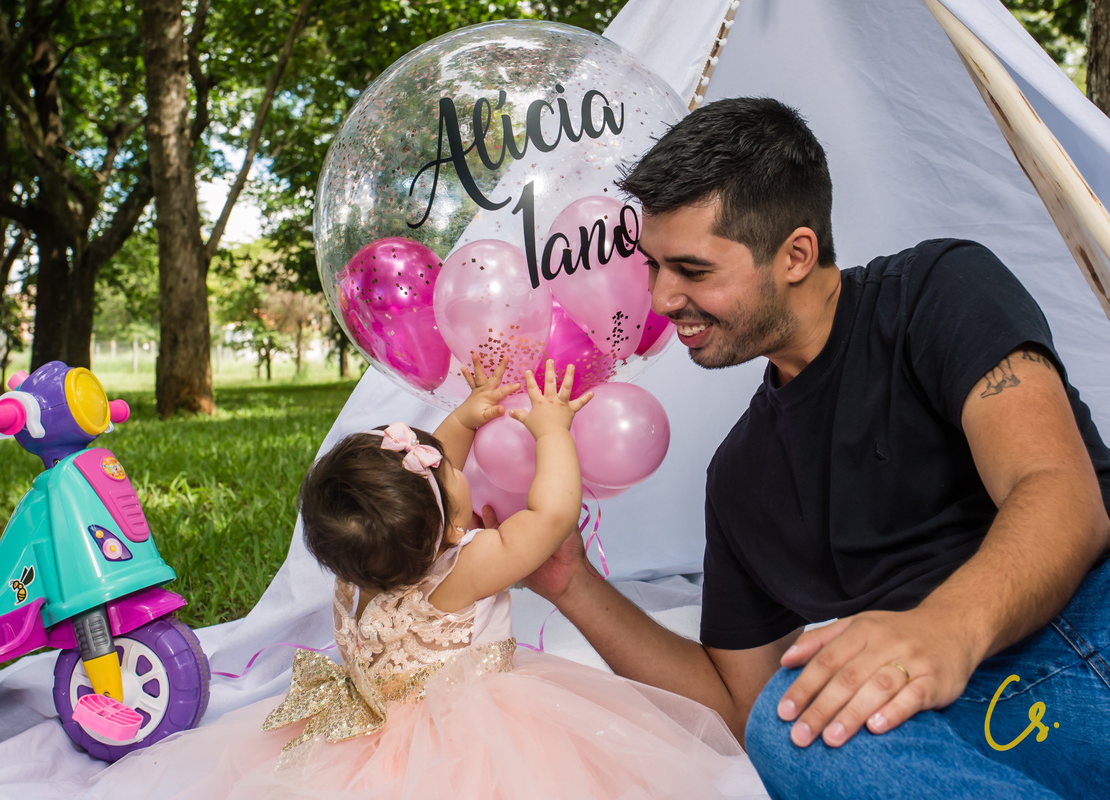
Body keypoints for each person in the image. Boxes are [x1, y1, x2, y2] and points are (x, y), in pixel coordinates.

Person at [518, 97, 1110, 799]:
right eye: (653, 267)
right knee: (784, 722)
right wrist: (569, 582)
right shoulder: (741, 477)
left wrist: (944, 629)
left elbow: (1060, 492)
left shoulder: (935, 291)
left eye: (692, 269)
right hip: (953, 725)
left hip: (1085, 625)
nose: (662, 297)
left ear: (796, 253)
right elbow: (739, 706)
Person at [89, 356, 767, 800]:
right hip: (471, 743)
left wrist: (466, 416)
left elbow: (429, 471)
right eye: (448, 474)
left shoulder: (356, 569)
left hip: (370, 730)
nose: (450, 462)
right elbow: (553, 512)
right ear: (449, 529)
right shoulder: (468, 566)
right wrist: (554, 429)